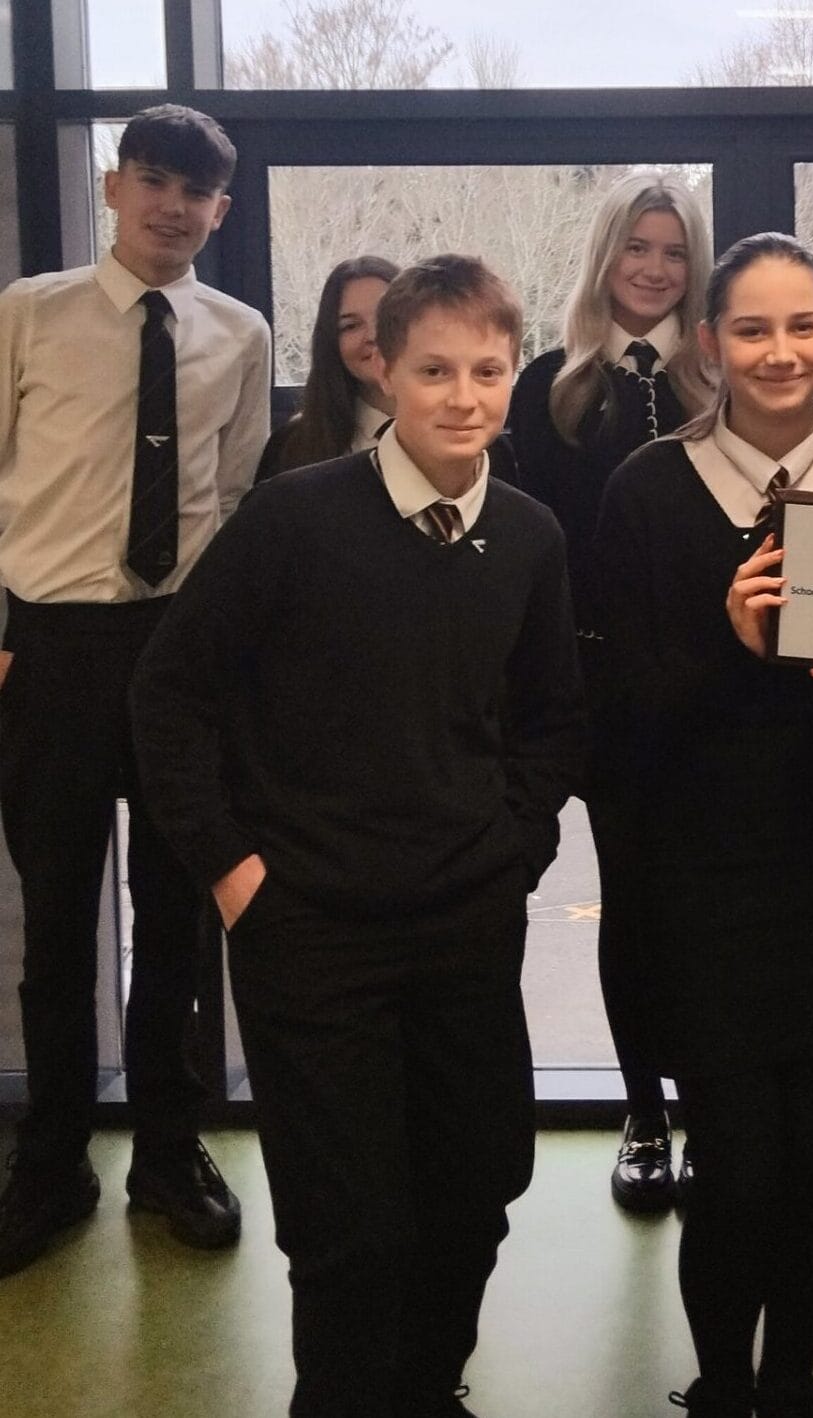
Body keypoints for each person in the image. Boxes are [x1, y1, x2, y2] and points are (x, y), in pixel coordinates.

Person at [130, 255, 585, 1418]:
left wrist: (515, 845)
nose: (463, 395)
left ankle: (427, 1390)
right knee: (349, 1232)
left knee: (477, 1188)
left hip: (463, 924)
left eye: (487, 369)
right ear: (382, 366)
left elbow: (548, 719)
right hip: (310, 932)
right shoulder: (294, 518)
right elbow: (170, 693)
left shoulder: (529, 535)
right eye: (433, 369)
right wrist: (235, 874)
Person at [593, 232, 813, 1418]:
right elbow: (622, 713)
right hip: (705, 883)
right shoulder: (643, 492)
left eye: (802, 324)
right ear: (707, 345)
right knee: (732, 1170)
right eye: (751, 328)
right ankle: (720, 1384)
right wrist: (735, 651)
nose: (780, 351)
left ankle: (792, 1381)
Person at [0, 104, 269, 1278]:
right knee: (56, 921)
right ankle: (51, 1163)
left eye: (195, 190)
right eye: (152, 181)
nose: (171, 206)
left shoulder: (241, 331)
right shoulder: (27, 313)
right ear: (115, 189)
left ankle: (169, 1151)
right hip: (48, 649)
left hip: (176, 655)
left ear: (222, 208)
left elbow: (234, 484)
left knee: (177, 917)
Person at [506, 171, 714, 1212]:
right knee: (631, 906)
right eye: (638, 245)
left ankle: (715, 1105)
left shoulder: (721, 384)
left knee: (711, 908)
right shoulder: (546, 388)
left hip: (716, 690)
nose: (654, 268)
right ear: (605, 255)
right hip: (597, 693)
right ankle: (644, 1111)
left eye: (674, 250)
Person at [255, 255, 399, 481]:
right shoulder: (293, 446)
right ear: (331, 341)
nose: (372, 336)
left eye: (386, 318)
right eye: (351, 326)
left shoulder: (459, 430)